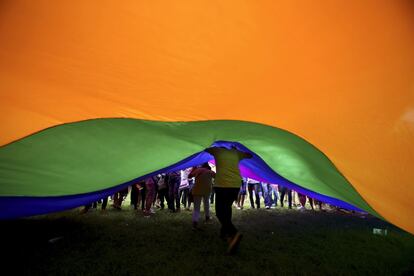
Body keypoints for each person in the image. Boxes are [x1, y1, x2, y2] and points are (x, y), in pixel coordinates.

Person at [205, 145, 252, 254]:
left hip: (222, 184)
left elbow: (204, 147)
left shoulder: (217, 150)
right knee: (226, 209)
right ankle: (224, 234)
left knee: (219, 212)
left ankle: (233, 233)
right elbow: (249, 155)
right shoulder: (236, 153)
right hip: (235, 185)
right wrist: (239, 149)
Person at [189, 163, 215, 230]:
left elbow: (189, 176)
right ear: (208, 167)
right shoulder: (210, 171)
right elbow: (217, 177)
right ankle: (207, 218)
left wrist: (193, 168)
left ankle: (195, 224)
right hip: (207, 190)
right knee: (206, 204)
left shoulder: (198, 170)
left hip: (197, 190)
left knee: (196, 208)